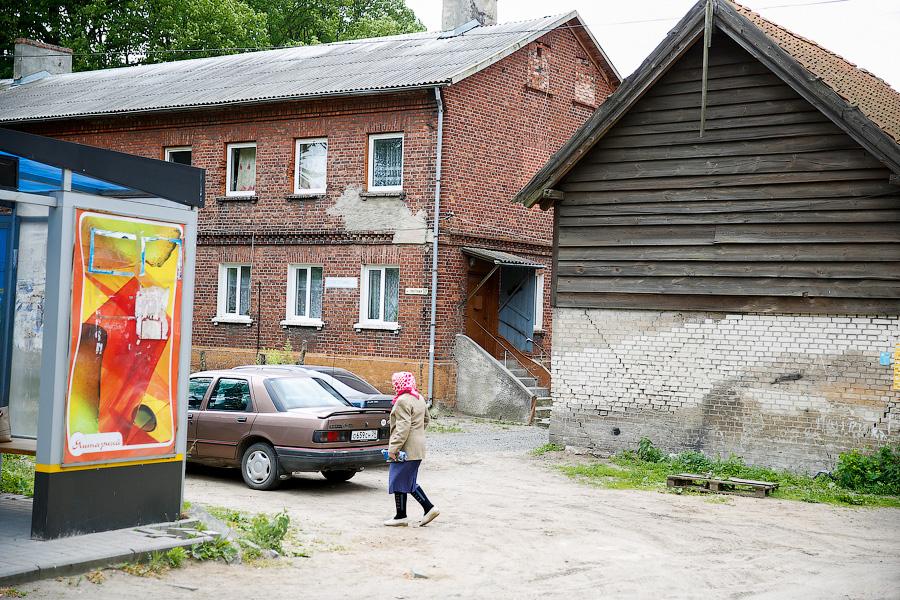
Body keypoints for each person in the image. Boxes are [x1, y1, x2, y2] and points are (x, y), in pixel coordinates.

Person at [384, 371, 440, 527]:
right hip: (417, 448)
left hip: (405, 449)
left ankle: (429, 508)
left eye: (395, 383)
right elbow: (426, 420)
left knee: (402, 480)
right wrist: (418, 434)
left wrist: (393, 448)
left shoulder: (402, 401)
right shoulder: (419, 397)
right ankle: (400, 516)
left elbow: (402, 428)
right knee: (403, 480)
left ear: (399, 384)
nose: (393, 385)